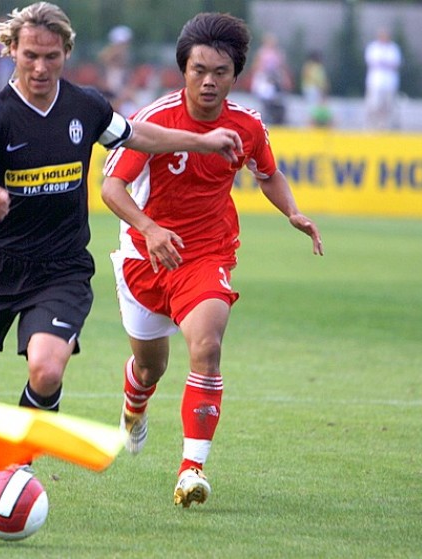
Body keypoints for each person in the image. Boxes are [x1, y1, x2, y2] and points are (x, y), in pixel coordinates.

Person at [0, 1, 243, 524]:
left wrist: (201, 141)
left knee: (48, 369)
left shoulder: (85, 106)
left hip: (61, 268)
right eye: (30, 55)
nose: (41, 67)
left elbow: (137, 134)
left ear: (66, 53)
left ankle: (17, 472)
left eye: (52, 56)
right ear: (12, 52)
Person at [101, 12, 323, 508]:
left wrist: (292, 210)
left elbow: (268, 173)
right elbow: (111, 187)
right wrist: (150, 228)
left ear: (234, 75)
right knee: (150, 366)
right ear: (183, 69)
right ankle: (134, 402)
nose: (208, 80)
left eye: (219, 71)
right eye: (198, 69)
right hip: (146, 255)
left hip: (207, 254)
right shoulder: (153, 121)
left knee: (207, 345)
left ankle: (190, 471)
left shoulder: (246, 125)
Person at [249, 32, 292, 125]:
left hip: (274, 79)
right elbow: (256, 66)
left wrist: (285, 79)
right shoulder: (261, 53)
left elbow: (281, 67)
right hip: (264, 78)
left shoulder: (278, 53)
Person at [364, 27, 402, 130]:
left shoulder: (393, 48)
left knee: (388, 105)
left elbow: (395, 64)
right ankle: (371, 125)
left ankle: (384, 125)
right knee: (373, 104)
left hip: (389, 83)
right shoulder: (373, 47)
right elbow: (371, 62)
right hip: (375, 82)